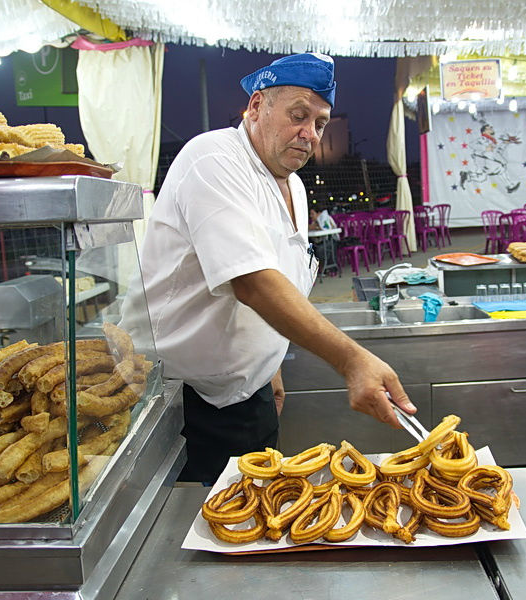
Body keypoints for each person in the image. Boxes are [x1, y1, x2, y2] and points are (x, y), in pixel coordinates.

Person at [122, 53, 416, 483]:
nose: (310, 133)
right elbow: (253, 283)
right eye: (298, 115)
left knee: (254, 514)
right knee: (188, 532)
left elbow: (278, 278)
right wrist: (352, 361)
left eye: (320, 123)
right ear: (256, 107)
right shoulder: (213, 159)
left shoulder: (294, 185)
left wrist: (271, 364)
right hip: (179, 400)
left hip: (249, 392)